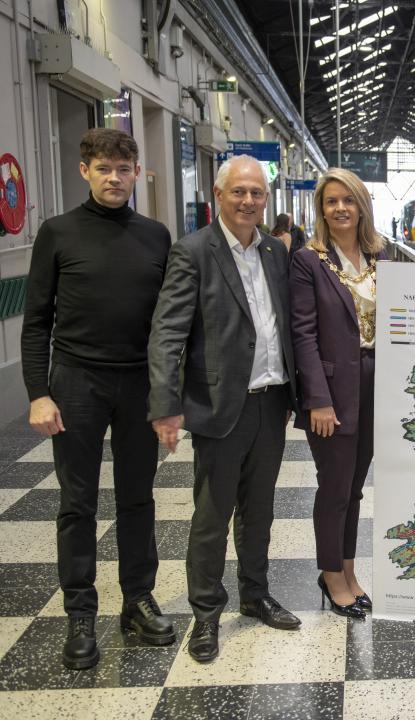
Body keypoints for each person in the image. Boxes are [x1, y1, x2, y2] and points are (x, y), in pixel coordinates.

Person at [21, 128, 175, 670]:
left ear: (136, 173)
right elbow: (36, 321)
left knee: (139, 499)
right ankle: (80, 614)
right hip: (77, 382)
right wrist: (39, 393)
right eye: (104, 168)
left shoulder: (156, 235)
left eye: (124, 169)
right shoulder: (58, 232)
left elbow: (169, 323)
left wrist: (169, 394)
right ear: (84, 171)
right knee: (77, 503)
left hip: (138, 385)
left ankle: (137, 600)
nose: (115, 178)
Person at [148, 154, 301, 663]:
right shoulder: (193, 252)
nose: (248, 201)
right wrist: (166, 406)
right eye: (239, 192)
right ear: (219, 194)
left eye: (256, 193)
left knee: (259, 512)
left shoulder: (276, 254)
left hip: (271, 402)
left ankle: (254, 595)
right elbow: (168, 332)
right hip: (219, 407)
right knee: (212, 518)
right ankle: (207, 613)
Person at [289, 168, 385, 620]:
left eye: (348, 199)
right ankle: (330, 576)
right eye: (331, 201)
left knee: (355, 489)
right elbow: (303, 334)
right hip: (334, 390)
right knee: (334, 487)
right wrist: (318, 400)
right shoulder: (309, 260)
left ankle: (348, 568)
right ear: (321, 209)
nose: (340, 208)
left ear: (362, 205)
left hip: (375, 383)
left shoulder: (379, 257)